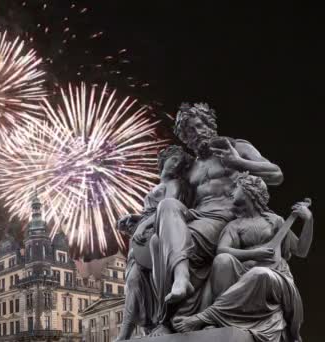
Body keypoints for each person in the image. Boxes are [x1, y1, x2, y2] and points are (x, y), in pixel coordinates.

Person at [149, 103, 283, 335]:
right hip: (197, 217)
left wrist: (239, 163)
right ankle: (176, 292)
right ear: (185, 140)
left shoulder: (237, 147)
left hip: (227, 218)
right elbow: (170, 195)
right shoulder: (190, 168)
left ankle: (180, 309)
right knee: (159, 231)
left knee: (174, 241)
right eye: (189, 132)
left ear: (210, 125)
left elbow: (276, 175)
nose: (196, 133)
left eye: (199, 126)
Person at [172, 173, 312, 342]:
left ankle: (204, 317)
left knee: (260, 274)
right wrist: (253, 254)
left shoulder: (275, 221)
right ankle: (219, 319)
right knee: (223, 260)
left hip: (275, 278)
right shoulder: (235, 225)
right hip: (245, 273)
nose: (231, 192)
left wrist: (308, 220)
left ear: (249, 191)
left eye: (236, 187)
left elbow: (301, 251)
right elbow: (222, 250)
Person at [115, 145, 193, 340]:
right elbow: (150, 211)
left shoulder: (175, 183)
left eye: (180, 163)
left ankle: (161, 319)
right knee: (132, 281)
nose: (176, 165)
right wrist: (134, 218)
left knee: (144, 277)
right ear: (163, 161)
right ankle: (126, 332)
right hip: (141, 239)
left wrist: (142, 225)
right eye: (174, 159)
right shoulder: (157, 186)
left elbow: (166, 207)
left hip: (156, 231)